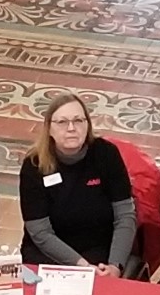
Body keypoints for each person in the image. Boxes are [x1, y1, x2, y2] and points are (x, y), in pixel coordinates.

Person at [18, 93, 136, 277]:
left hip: (98, 253)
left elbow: (125, 216)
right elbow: (40, 232)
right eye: (62, 122)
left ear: (87, 125)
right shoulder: (34, 165)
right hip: (48, 253)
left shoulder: (106, 154)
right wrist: (80, 266)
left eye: (78, 120)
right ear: (49, 128)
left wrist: (115, 265)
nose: (71, 128)